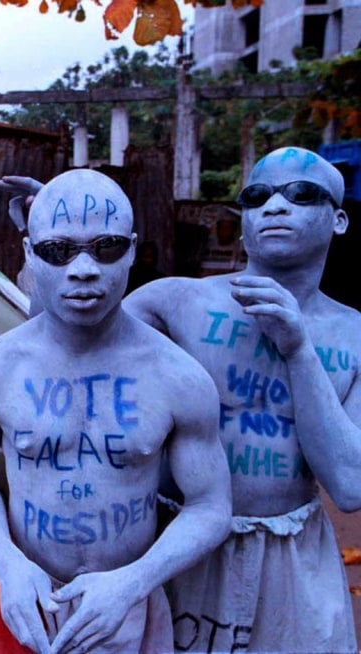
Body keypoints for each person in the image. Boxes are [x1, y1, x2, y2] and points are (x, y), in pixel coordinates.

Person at [0, 169, 232, 653]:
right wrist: (8, 564)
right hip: (26, 601)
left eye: (105, 248)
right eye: (57, 251)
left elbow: (210, 506)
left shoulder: (176, 376)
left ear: (133, 248)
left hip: (127, 604)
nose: (83, 270)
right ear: (27, 253)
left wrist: (135, 580)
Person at [125, 146, 361, 653]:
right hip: (181, 544)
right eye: (257, 196)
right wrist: (58, 249)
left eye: (300, 195)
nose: (274, 206)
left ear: (338, 220)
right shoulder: (175, 302)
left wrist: (298, 350)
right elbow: (54, 350)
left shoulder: (354, 334)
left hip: (293, 557)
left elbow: (349, 484)